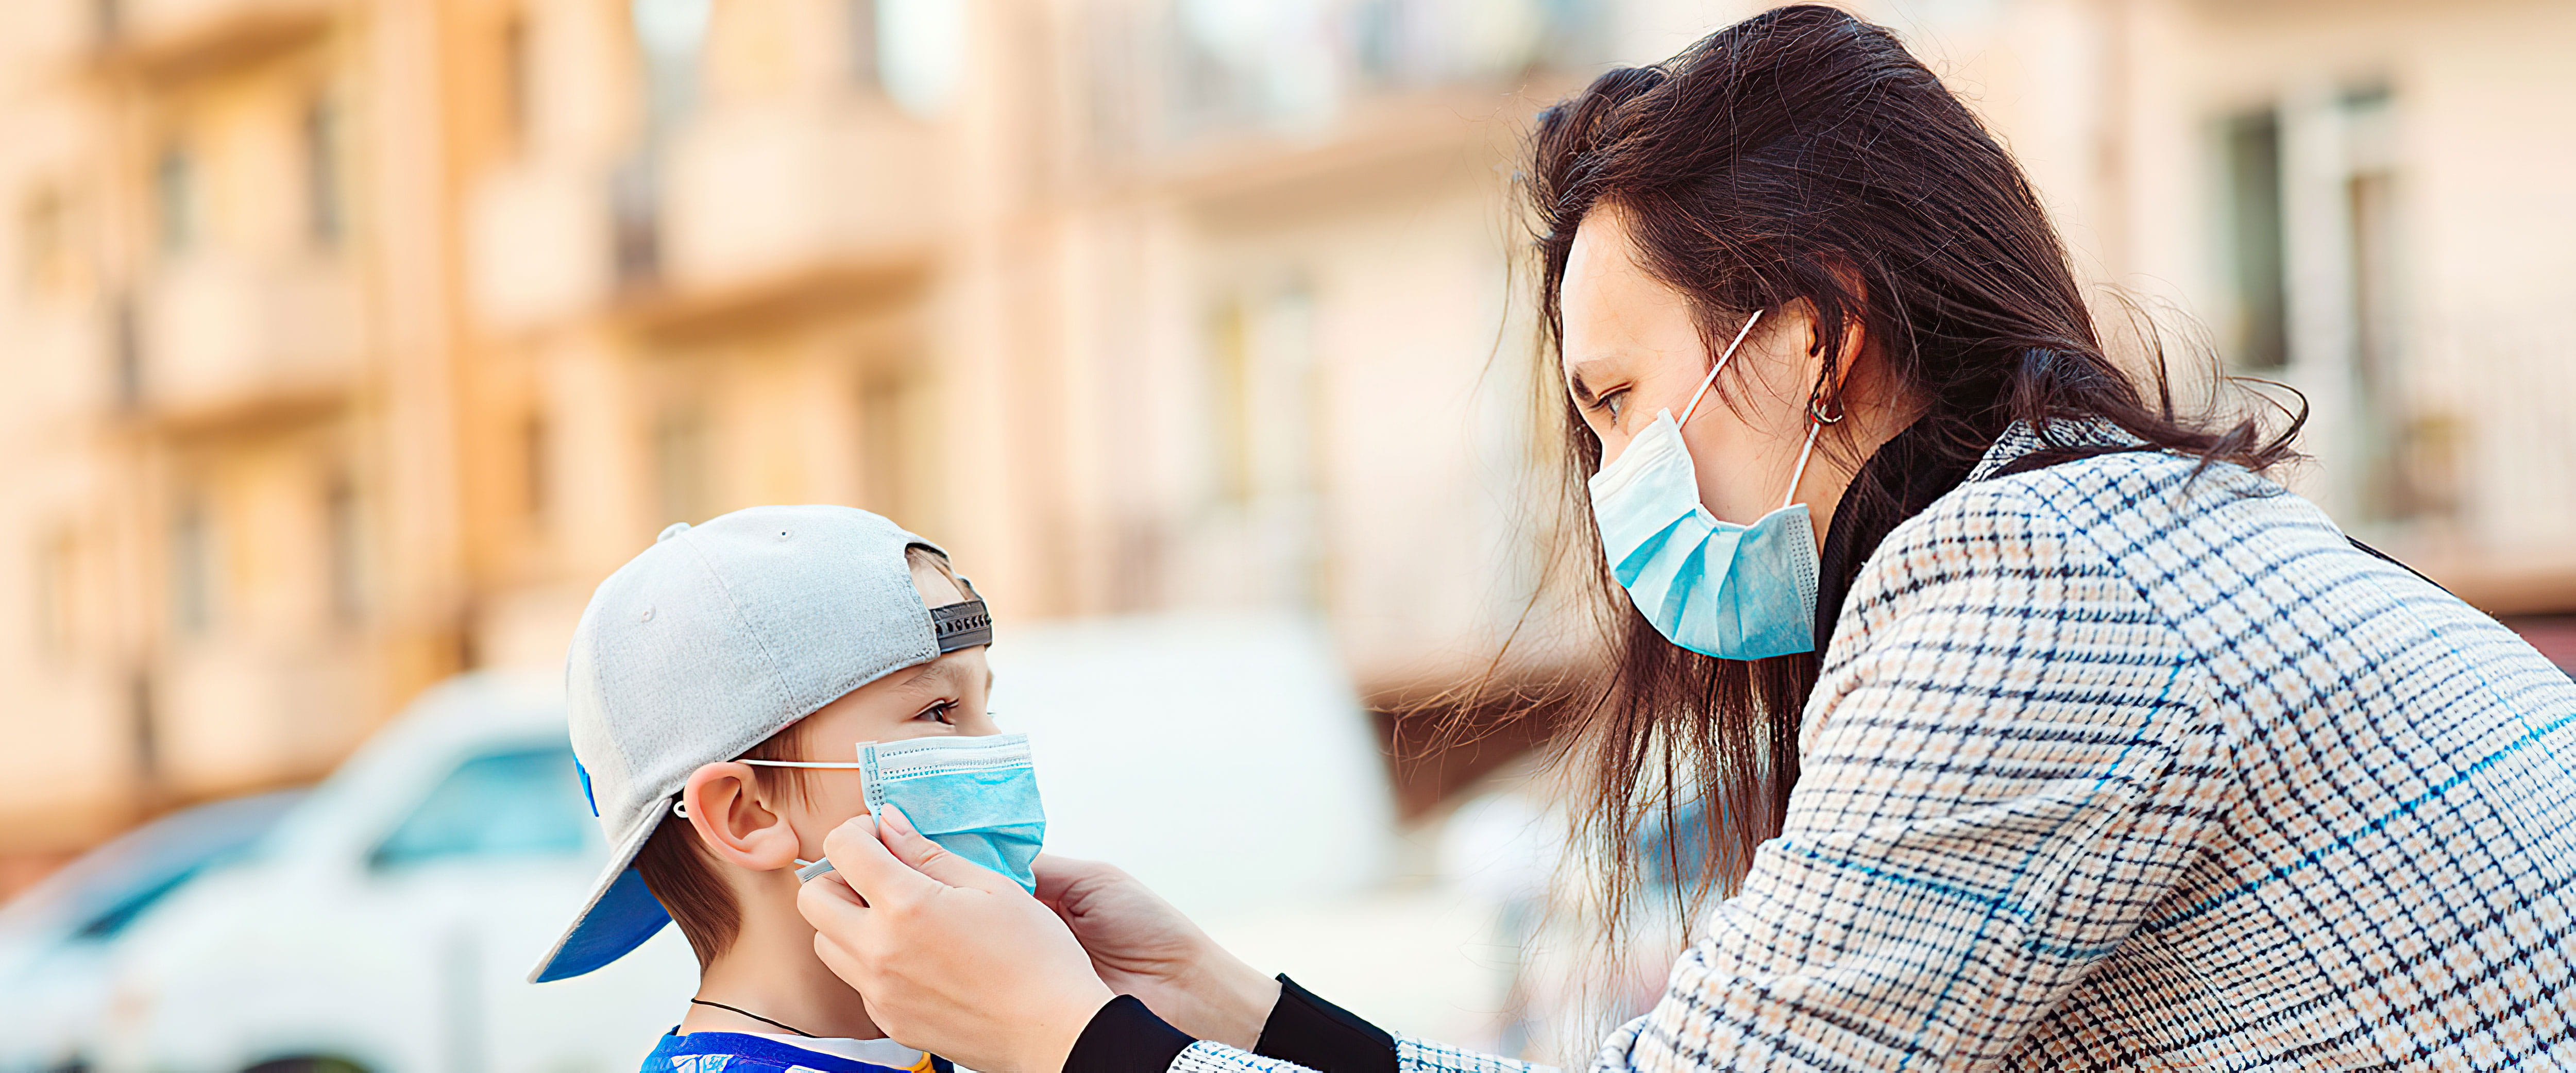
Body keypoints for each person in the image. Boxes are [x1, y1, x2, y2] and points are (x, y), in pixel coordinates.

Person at [793, 6, 2576, 1072]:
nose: (1613, 476)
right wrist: (1240, 1003)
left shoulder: (2032, 603)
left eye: (1627, 397)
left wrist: (1079, 1047)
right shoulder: (2129, 529)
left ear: (1815, 332)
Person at [527, 505, 1022, 1073]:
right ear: (746, 814)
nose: (998, 750)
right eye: (939, 711)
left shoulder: (936, 1041)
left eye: (988, 708)